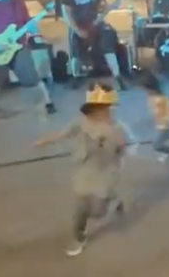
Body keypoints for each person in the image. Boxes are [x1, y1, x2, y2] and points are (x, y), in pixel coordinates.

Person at [32, 84, 127, 257]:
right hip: (84, 171)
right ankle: (78, 237)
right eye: (97, 109)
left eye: (105, 109)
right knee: (80, 209)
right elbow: (62, 134)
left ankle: (113, 201)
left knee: (98, 212)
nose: (103, 113)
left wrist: (118, 154)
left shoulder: (116, 129)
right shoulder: (81, 122)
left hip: (105, 174)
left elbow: (121, 149)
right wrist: (44, 141)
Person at [59, 0, 125, 90]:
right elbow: (66, 13)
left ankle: (117, 76)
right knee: (76, 51)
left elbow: (102, 5)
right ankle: (76, 76)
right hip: (78, 24)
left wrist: (115, 2)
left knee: (108, 45)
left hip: (96, 22)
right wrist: (76, 29)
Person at [141, 76, 169, 162]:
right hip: (161, 125)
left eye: (147, 89)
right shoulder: (153, 98)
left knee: (157, 145)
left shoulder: (160, 99)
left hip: (166, 126)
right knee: (161, 141)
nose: (146, 92)